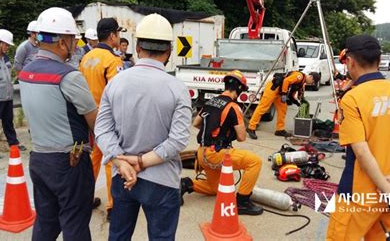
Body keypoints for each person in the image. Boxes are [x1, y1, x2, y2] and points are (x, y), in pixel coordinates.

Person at [95, 13, 191, 240]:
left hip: (123, 177)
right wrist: (141, 162)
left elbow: (102, 130)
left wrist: (120, 159)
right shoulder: (177, 89)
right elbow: (178, 140)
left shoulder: (116, 83)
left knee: (118, 235)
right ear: (169, 50)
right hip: (162, 181)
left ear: (137, 48)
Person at [325, 34, 390, 240]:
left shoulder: (353, 97)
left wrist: (385, 188)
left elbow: (361, 151)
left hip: (359, 193)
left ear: (350, 61)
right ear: (379, 60)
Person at [18, 7, 97, 241]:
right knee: (75, 224)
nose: (75, 45)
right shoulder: (69, 76)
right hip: (69, 163)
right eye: (73, 40)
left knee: (46, 222)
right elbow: (95, 121)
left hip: (40, 160)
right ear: (63, 42)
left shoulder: (25, 73)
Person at [180, 70, 263, 215]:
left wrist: (215, 130)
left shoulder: (210, 102)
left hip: (201, 153)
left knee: (216, 189)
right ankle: (242, 202)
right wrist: (230, 129)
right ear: (239, 88)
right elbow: (242, 137)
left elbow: (196, 123)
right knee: (254, 162)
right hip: (217, 154)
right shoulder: (233, 107)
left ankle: (186, 184)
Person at [79, 17, 125, 218]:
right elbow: (118, 93)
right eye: (119, 33)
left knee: (92, 159)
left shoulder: (86, 58)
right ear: (113, 35)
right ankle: (113, 206)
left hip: (87, 117)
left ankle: (85, 198)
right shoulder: (112, 60)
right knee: (110, 161)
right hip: (106, 119)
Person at [246, 70, 320, 139]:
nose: (311, 84)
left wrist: (297, 102)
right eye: (313, 82)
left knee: (283, 109)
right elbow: (286, 81)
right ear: (311, 77)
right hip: (273, 88)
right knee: (263, 108)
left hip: (280, 92)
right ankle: (251, 127)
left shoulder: (301, 83)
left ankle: (280, 130)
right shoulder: (299, 76)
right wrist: (284, 94)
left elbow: (292, 94)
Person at [0, 29, 26, 160]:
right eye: (5, 44)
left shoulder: (5, 57)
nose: (7, 47)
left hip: (7, 95)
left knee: (8, 121)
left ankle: (13, 143)